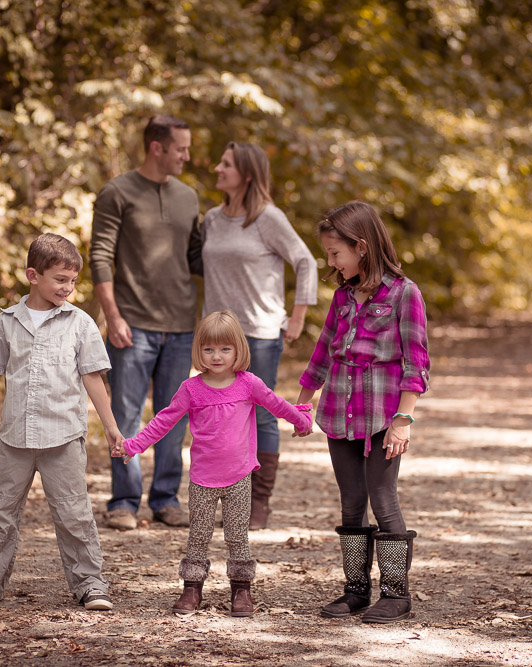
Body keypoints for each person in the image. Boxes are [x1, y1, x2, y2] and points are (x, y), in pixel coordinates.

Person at [0, 233, 123, 611]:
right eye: (60, 279)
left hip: (63, 436)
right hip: (15, 437)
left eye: (73, 281)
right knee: (2, 512)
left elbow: (93, 377)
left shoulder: (80, 324)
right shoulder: (6, 323)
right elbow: (6, 374)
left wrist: (111, 427)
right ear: (33, 275)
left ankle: (90, 584)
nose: (68, 287)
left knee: (74, 513)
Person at [111, 311, 313, 616]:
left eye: (224, 349)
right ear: (199, 351)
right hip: (203, 477)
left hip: (239, 475)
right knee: (199, 535)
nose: (216, 356)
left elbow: (276, 404)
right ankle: (192, 591)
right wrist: (135, 445)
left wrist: (301, 419)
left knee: (237, 536)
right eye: (209, 349)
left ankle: (241, 591)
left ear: (238, 350)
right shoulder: (191, 389)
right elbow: (164, 420)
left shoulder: (248, 384)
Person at [294, 201, 431, 624]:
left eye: (336, 253)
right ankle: (356, 590)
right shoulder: (342, 296)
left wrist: (403, 420)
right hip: (339, 407)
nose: (331, 261)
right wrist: (302, 402)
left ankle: (395, 594)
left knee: (383, 498)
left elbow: (417, 363)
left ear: (363, 247)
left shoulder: (405, 293)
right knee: (351, 501)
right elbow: (322, 353)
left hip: (384, 416)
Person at [90, 114, 203, 531]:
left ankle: (166, 498)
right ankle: (123, 501)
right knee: (125, 415)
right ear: (157, 147)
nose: (186, 156)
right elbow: (100, 256)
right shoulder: (116, 192)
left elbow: (198, 258)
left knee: (174, 416)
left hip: (180, 325)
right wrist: (113, 316)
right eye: (181, 149)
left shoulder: (189, 198)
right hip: (131, 324)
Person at [202, 141, 317, 530]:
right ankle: (229, 495)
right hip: (218, 337)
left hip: (261, 333)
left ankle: (259, 502)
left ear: (247, 174)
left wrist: (297, 316)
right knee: (220, 415)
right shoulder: (213, 219)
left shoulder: (268, 218)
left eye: (226, 164)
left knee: (263, 415)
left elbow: (305, 261)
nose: (218, 168)